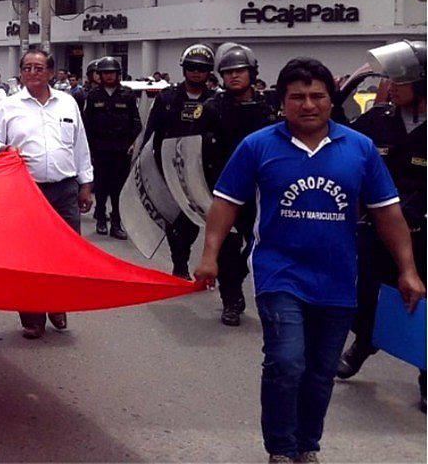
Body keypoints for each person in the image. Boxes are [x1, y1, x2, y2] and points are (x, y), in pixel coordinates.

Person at [195, 57, 425, 463]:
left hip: (338, 279)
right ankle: (281, 448)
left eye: (317, 96)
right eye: (297, 97)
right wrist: (210, 255)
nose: (308, 104)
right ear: (282, 102)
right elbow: (225, 202)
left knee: (320, 373)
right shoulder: (258, 145)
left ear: (331, 101)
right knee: (286, 362)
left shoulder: (360, 149)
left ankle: (306, 445)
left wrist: (408, 270)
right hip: (278, 273)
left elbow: (388, 214)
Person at [337, 40, 426, 407]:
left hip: (422, 231)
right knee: (368, 292)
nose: (389, 85)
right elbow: (338, 130)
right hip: (376, 229)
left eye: (399, 80)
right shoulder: (380, 119)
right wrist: (349, 85)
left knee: (421, 300)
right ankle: (364, 343)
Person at [0, 49, 94, 339]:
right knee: (28, 256)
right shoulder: (8, 106)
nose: (33, 73)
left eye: (38, 68)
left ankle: (57, 304)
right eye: (27, 68)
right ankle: (32, 317)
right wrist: (2, 150)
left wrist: (86, 185)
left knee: (65, 253)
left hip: (65, 189)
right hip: (25, 191)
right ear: (21, 72)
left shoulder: (68, 103)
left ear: (50, 72)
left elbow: (80, 146)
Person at [197, 45, 277, 327]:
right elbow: (200, 153)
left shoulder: (271, 106)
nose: (233, 77)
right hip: (227, 192)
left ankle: (240, 277)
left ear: (252, 72)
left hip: (265, 190)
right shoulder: (212, 109)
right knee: (227, 247)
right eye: (228, 72)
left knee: (260, 242)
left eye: (239, 71)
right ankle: (231, 299)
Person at [142, 44, 217, 279]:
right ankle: (180, 263)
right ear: (184, 69)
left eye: (201, 69)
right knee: (175, 222)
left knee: (193, 221)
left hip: (203, 173)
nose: (196, 73)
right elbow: (152, 133)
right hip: (170, 171)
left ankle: (185, 253)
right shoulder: (166, 97)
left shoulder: (216, 100)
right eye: (192, 68)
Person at [82, 56, 140, 240]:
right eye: (105, 73)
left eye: (112, 73)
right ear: (99, 75)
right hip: (100, 150)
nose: (108, 76)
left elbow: (136, 122)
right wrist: (89, 149)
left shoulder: (128, 94)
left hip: (122, 150)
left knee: (119, 188)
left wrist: (132, 143)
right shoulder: (93, 96)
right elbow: (87, 124)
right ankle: (100, 218)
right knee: (101, 186)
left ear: (118, 74)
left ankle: (116, 222)